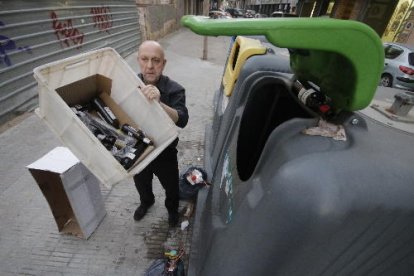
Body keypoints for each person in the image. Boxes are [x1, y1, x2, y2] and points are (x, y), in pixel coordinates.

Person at [133, 40, 189, 227]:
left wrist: (159, 102)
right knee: (141, 183)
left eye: (156, 60)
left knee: (171, 187)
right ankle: (146, 202)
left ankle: (172, 210)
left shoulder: (175, 89)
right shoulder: (129, 84)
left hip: (165, 151)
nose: (149, 66)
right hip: (138, 150)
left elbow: (182, 119)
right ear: (138, 60)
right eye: (145, 59)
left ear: (163, 63)